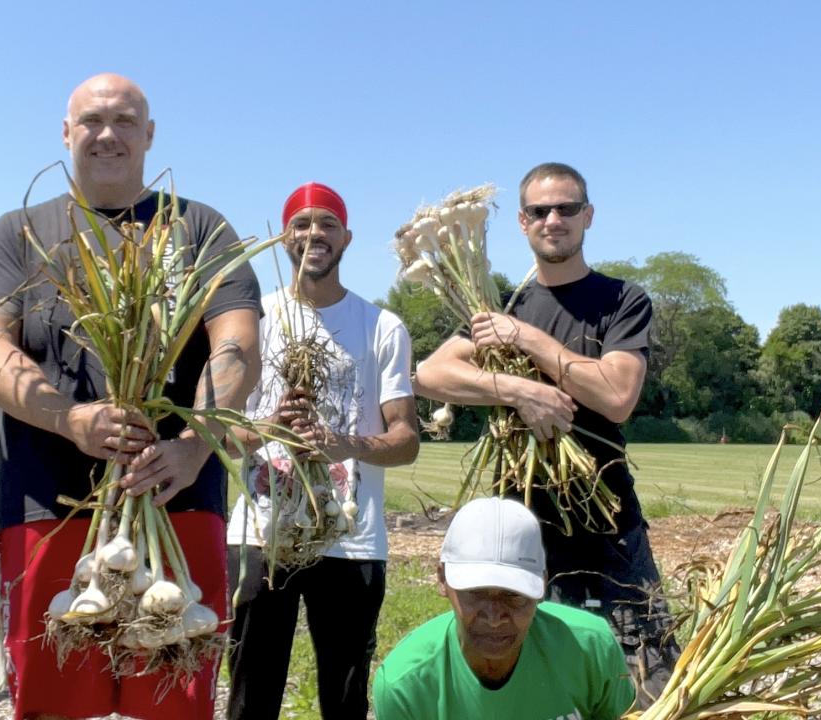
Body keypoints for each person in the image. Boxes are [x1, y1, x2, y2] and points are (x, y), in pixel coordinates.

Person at [0, 72, 261, 720]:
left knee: (174, 705)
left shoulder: (200, 227)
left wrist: (192, 446)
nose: (108, 134)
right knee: (52, 704)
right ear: (67, 133)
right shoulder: (17, 235)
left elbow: (237, 344)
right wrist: (68, 418)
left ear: (149, 134)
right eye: (92, 120)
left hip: (177, 501)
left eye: (125, 120)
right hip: (49, 508)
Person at [414, 162, 680, 702]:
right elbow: (428, 374)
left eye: (566, 208)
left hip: (610, 523)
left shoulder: (621, 300)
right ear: (521, 221)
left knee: (647, 677)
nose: (553, 219)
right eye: (540, 210)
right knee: (541, 677)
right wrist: (517, 391)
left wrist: (528, 341)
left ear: (588, 216)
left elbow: (616, 395)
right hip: (523, 527)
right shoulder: (500, 307)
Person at [225, 182, 419, 719]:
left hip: (350, 537)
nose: (315, 234)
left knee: (345, 692)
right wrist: (269, 429)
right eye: (303, 224)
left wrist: (340, 443)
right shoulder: (251, 322)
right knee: (251, 691)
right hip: (260, 535)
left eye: (327, 223)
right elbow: (221, 433)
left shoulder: (382, 327)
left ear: (347, 237)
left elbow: (406, 440)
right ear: (285, 238)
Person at [373, 497, 636, 720]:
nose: (494, 617)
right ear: (443, 580)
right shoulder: (406, 684)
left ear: (542, 586)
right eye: (475, 593)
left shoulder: (591, 649)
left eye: (513, 596)